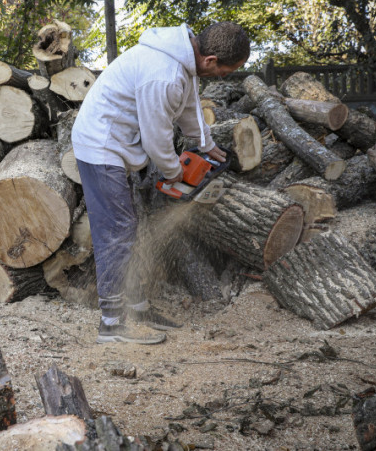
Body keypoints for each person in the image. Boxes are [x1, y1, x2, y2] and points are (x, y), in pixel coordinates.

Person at [71, 21, 250, 344]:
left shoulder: (183, 65)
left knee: (130, 227)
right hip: (101, 145)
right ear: (210, 61)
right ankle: (112, 325)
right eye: (225, 71)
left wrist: (207, 145)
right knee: (117, 231)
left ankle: (137, 308)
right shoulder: (164, 75)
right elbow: (157, 140)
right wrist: (174, 174)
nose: (223, 77)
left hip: (119, 143)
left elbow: (191, 110)